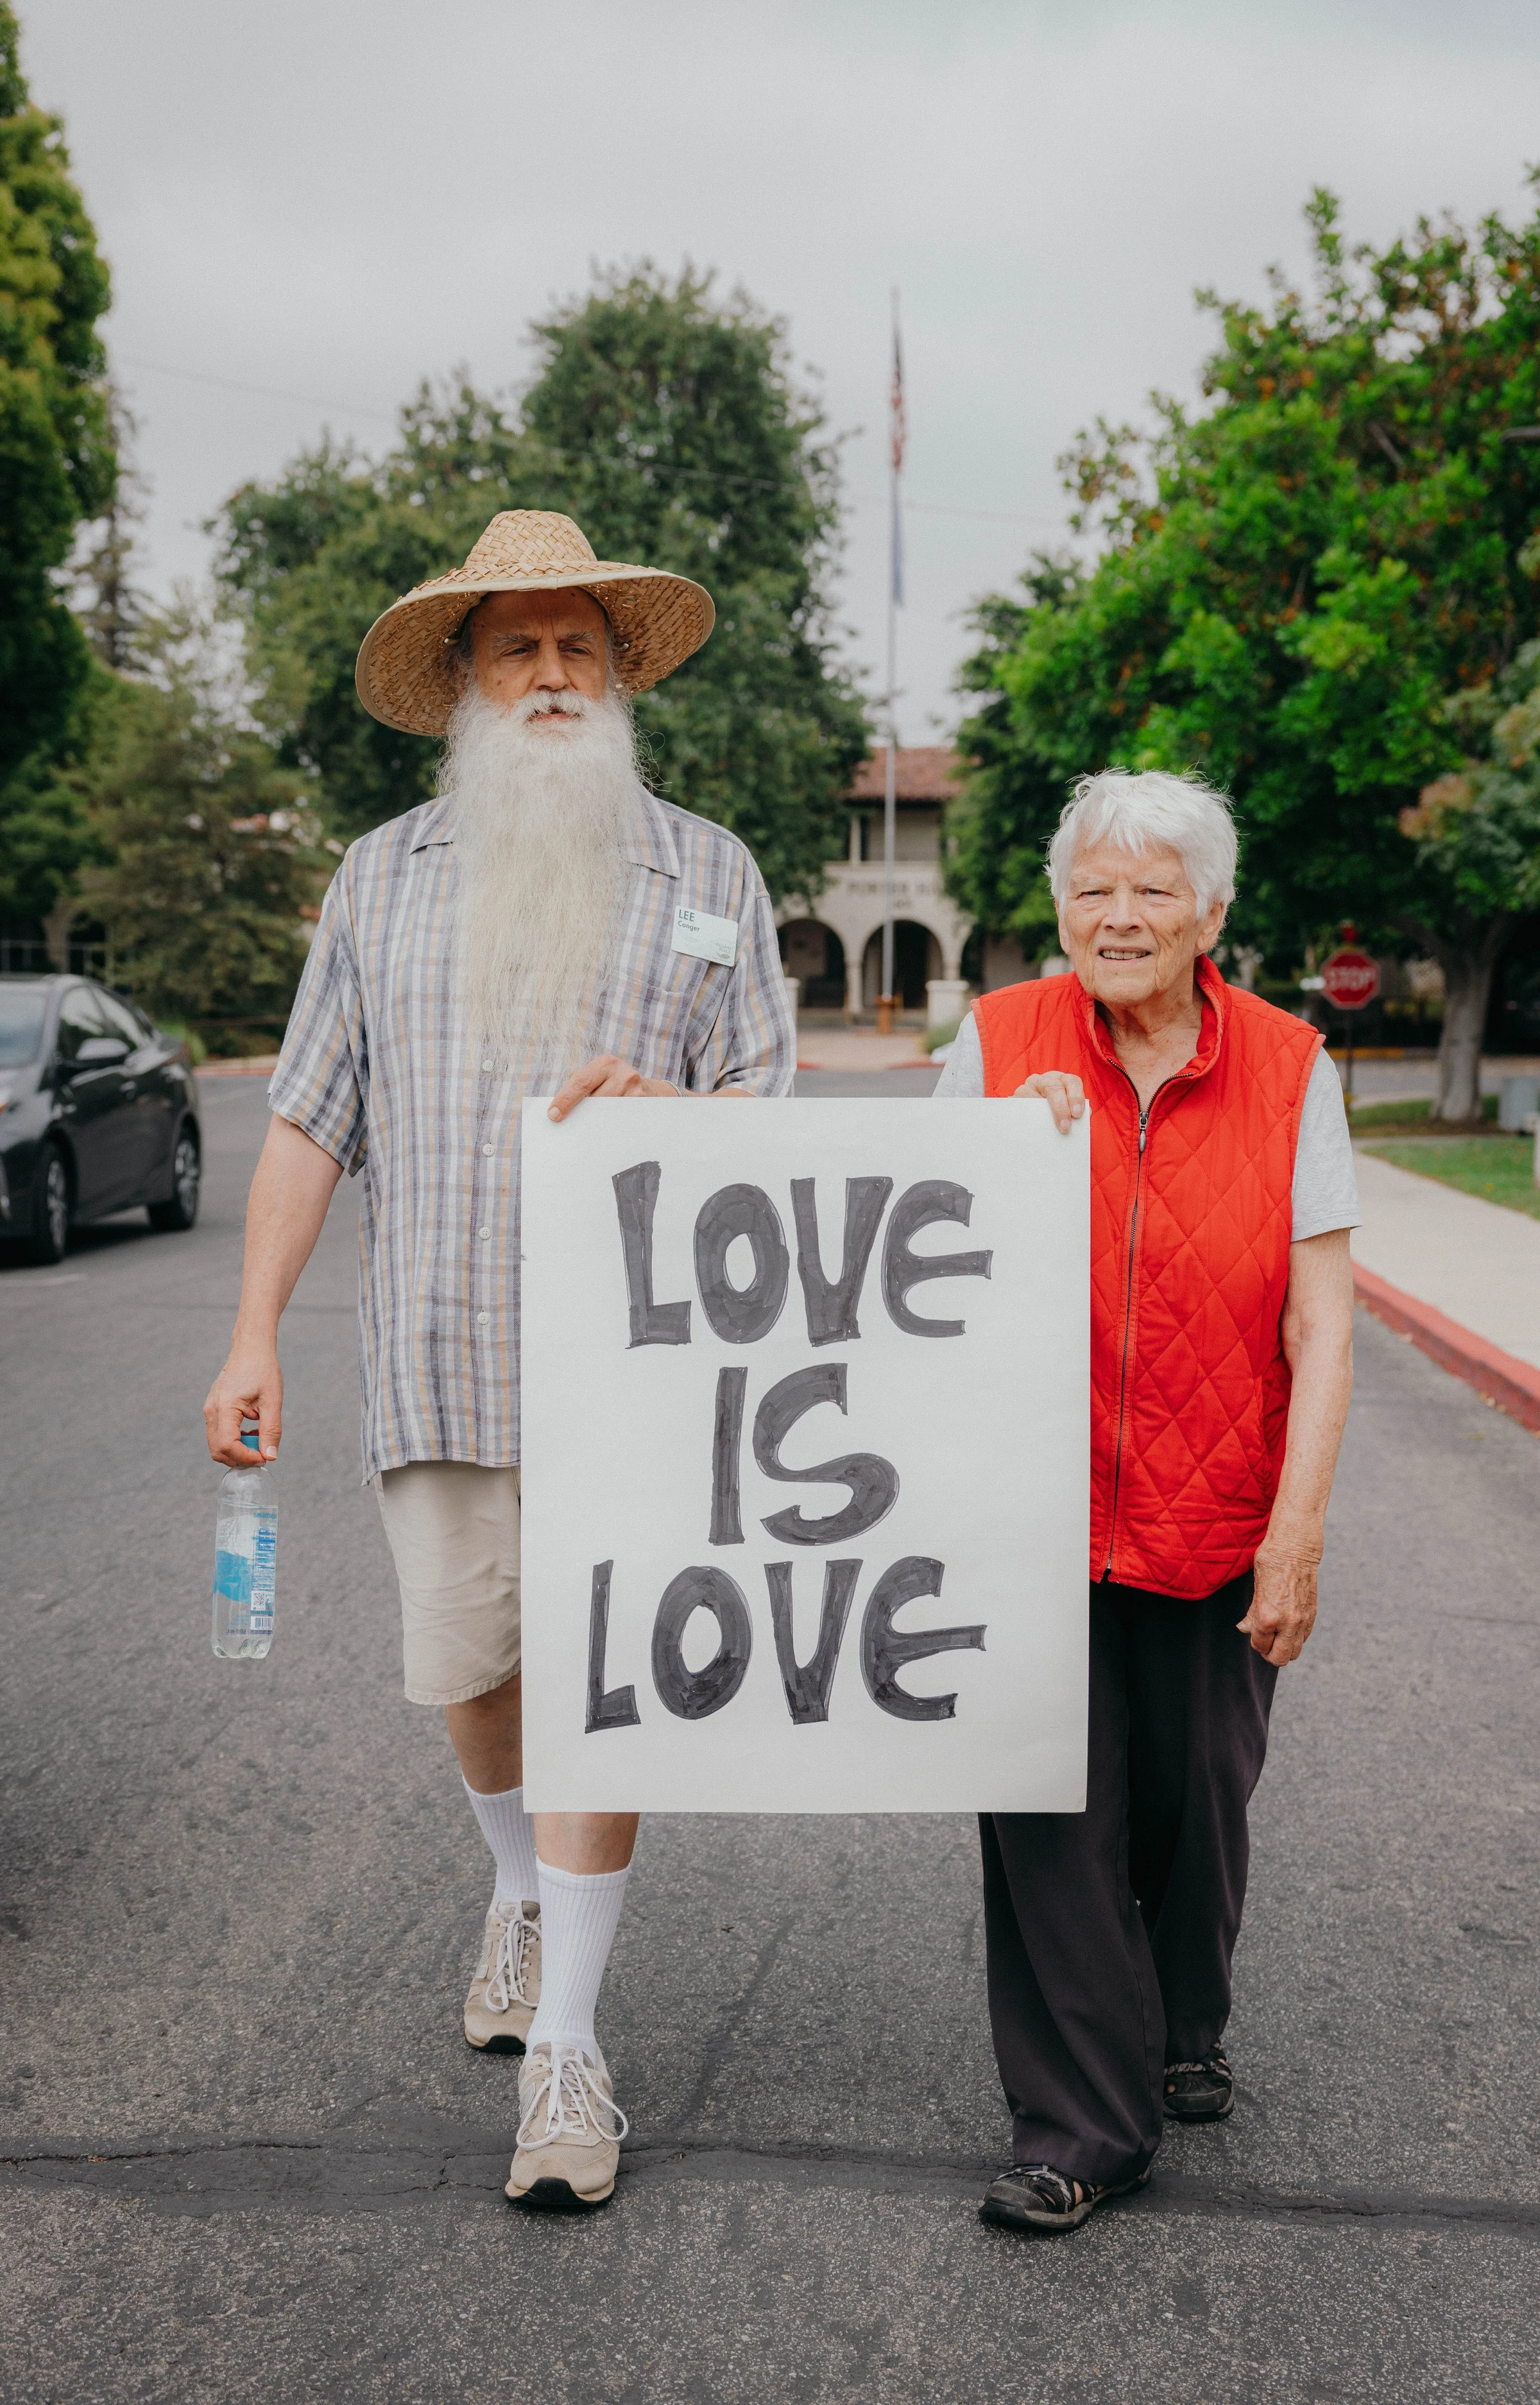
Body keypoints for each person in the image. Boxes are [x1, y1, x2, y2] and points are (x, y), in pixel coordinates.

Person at [203, 510, 793, 2210]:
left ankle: (569, 2056)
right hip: (437, 1364)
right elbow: (311, 1122)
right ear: (465, 678)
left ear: (618, 677)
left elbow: (768, 1121)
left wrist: (680, 1115)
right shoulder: (379, 879)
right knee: (475, 1676)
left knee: (605, 1688)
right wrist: (251, 1330)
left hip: (643, 1378)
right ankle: (518, 1890)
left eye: (577, 647)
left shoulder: (711, 876)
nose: (550, 673)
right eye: (516, 646)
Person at [935, 767, 1356, 2236]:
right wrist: (996, 1151)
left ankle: (1183, 2024)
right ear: (1058, 908)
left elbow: (1321, 1319)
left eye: (1149, 890)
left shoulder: (1294, 1064)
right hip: (1027, 1516)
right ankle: (1079, 2122)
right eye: (1091, 889)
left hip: (1208, 1511)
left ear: (1209, 914)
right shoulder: (993, 1042)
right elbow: (898, 1253)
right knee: (1049, 1818)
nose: (1116, 916)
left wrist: (1291, 1530)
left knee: (1192, 1807)